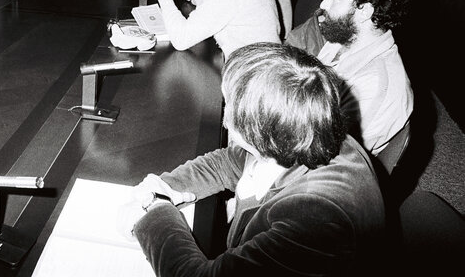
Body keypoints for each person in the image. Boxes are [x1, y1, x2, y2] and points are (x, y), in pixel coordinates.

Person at [119, 42, 385, 276]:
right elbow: (227, 162)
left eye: (229, 104)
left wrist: (153, 211)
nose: (224, 115)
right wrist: (164, 187)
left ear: (258, 128)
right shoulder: (305, 129)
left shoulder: (317, 219)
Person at [286, 0, 412, 156]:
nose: (323, 4)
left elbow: (329, 156)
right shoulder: (344, 40)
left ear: (365, 11)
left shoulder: (375, 85)